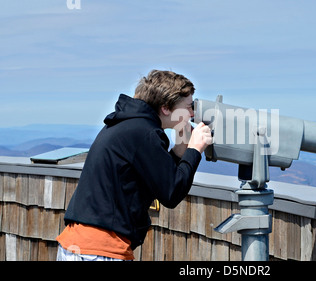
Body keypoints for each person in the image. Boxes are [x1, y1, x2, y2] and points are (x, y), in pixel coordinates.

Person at [56, 70, 212, 261]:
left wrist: (180, 152)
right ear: (166, 108)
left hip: (76, 245)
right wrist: (195, 149)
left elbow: (158, 178)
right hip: (101, 250)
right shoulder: (145, 133)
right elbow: (172, 193)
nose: (192, 113)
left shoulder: (128, 125)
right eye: (189, 107)